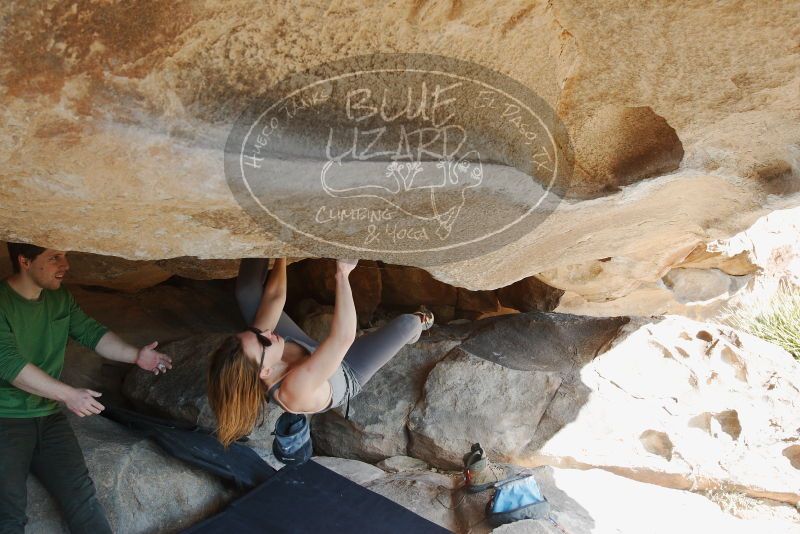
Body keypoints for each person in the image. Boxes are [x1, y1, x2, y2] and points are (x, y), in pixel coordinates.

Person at [0, 243, 174, 533]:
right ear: (24, 261)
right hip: (4, 418)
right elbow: (10, 365)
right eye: (54, 257)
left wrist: (135, 356)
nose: (65, 264)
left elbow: (92, 334)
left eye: (65, 256)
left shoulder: (59, 299)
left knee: (82, 500)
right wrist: (69, 394)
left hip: (47, 415)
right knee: (8, 515)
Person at [207, 258, 433, 447]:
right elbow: (343, 338)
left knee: (247, 292)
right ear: (265, 371)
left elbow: (275, 295)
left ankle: (256, 230)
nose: (265, 333)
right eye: (262, 341)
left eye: (257, 333)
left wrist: (281, 249)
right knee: (407, 325)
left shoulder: (262, 345)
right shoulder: (293, 389)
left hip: (309, 351)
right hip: (348, 370)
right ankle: (423, 321)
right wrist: (342, 274)